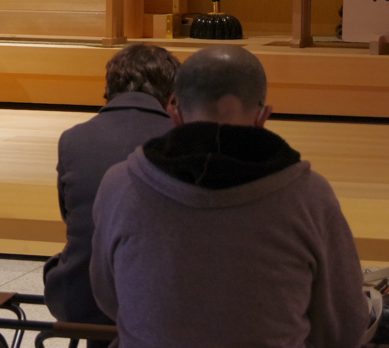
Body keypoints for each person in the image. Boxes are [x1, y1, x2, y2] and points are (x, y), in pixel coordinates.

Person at [90, 46, 369, 348]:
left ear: (175, 113)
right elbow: (344, 326)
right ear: (263, 116)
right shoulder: (310, 196)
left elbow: (109, 297)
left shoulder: (121, 184)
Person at [43, 44, 177, 333]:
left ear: (110, 86)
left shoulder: (74, 138)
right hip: (160, 303)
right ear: (171, 93)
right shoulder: (181, 139)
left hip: (79, 298)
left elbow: (70, 216)